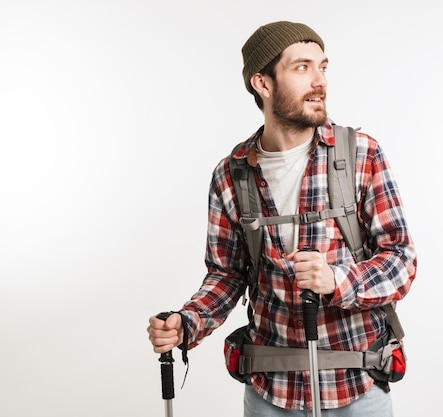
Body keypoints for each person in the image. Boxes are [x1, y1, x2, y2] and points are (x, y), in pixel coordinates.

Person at [147, 21, 417, 416]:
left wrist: (337, 279)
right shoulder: (233, 174)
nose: (319, 80)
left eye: (322, 67)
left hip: (356, 389)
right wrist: (186, 324)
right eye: (302, 67)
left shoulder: (360, 154)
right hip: (269, 393)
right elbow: (227, 275)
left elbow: (401, 259)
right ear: (263, 83)